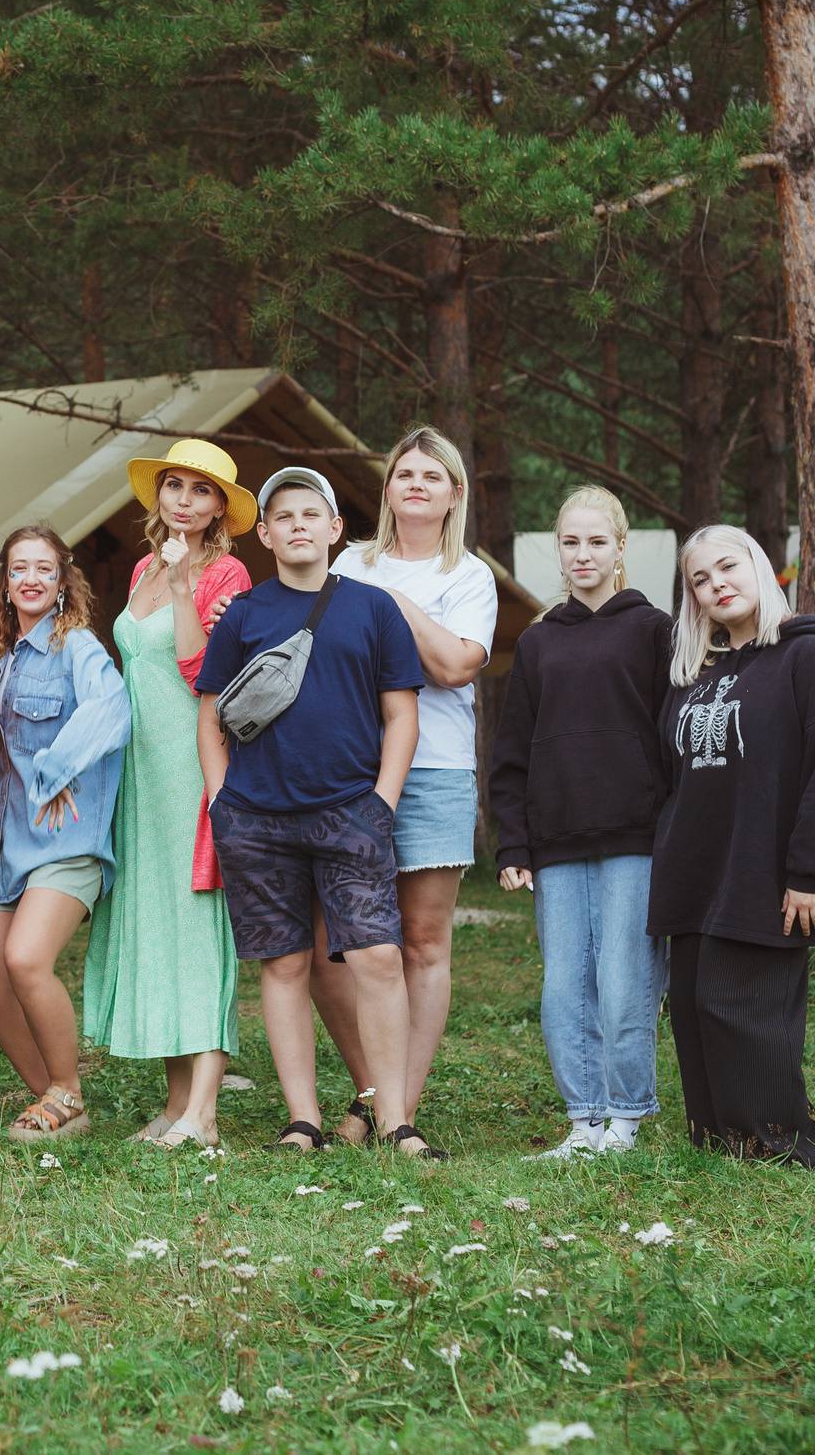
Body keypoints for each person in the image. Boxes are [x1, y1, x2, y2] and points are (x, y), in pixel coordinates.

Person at [197, 470, 430, 1155]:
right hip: (257, 816)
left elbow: (401, 714)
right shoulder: (242, 615)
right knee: (284, 965)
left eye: (312, 512)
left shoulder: (374, 608)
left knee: (378, 957)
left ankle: (395, 1119)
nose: (298, 524)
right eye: (283, 516)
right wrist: (221, 801)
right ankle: (303, 1120)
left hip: (351, 811)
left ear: (335, 530)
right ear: (263, 534)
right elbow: (209, 714)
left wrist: (381, 803)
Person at [651, 524, 815, 1170]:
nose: (718, 584)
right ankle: (716, 1141)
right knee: (693, 1009)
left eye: (727, 567)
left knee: (743, 1006)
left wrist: (809, 870)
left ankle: (777, 1144)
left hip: (768, 870)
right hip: (696, 871)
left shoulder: (809, 657)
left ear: (760, 567)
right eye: (701, 579)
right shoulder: (693, 671)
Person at [314, 426, 497, 1147]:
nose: (416, 483)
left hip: (436, 769)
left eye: (433, 475)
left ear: (454, 495)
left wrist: (386, 596)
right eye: (404, 473)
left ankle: (401, 1111)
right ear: (387, 489)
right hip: (348, 768)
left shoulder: (469, 577)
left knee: (422, 942)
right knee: (335, 944)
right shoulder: (346, 560)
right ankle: (372, 1091)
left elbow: (454, 665)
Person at [490, 487, 674, 1158]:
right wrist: (514, 839)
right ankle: (584, 1120)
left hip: (635, 839)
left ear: (621, 548)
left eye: (597, 541)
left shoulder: (654, 630)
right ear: (558, 550)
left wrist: (674, 835)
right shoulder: (539, 642)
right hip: (557, 845)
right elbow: (512, 751)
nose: (583, 553)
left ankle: (624, 1117)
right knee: (563, 986)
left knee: (626, 980)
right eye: (571, 541)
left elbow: (673, 738)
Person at [82, 437, 254, 1149]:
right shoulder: (144, 567)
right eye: (173, 485)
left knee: (195, 929)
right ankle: (175, 1100)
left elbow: (200, 670)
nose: (183, 498)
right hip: (140, 770)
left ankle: (205, 1115)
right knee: (154, 923)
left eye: (200, 490)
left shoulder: (230, 573)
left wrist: (187, 589)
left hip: (191, 762)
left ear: (219, 508)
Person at [0, 526, 128, 1144]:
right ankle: (53, 1100)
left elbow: (112, 709)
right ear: (6, 582)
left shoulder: (76, 646)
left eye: (44, 569)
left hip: (66, 840)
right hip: (4, 843)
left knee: (25, 959)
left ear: (63, 583)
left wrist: (57, 767)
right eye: (18, 569)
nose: (30, 579)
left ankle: (66, 1091)